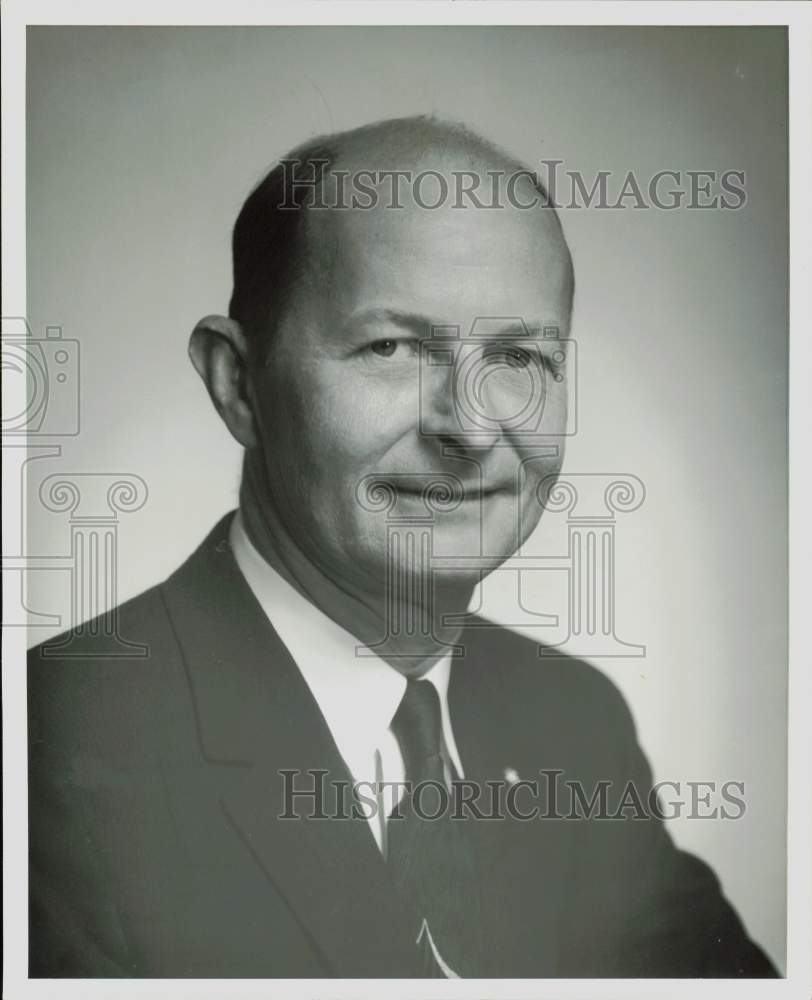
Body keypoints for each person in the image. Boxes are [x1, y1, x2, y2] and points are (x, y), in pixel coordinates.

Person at [28, 115, 777, 978]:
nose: (468, 426)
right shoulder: (54, 744)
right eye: (392, 348)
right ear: (239, 384)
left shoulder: (572, 723)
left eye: (520, 358)